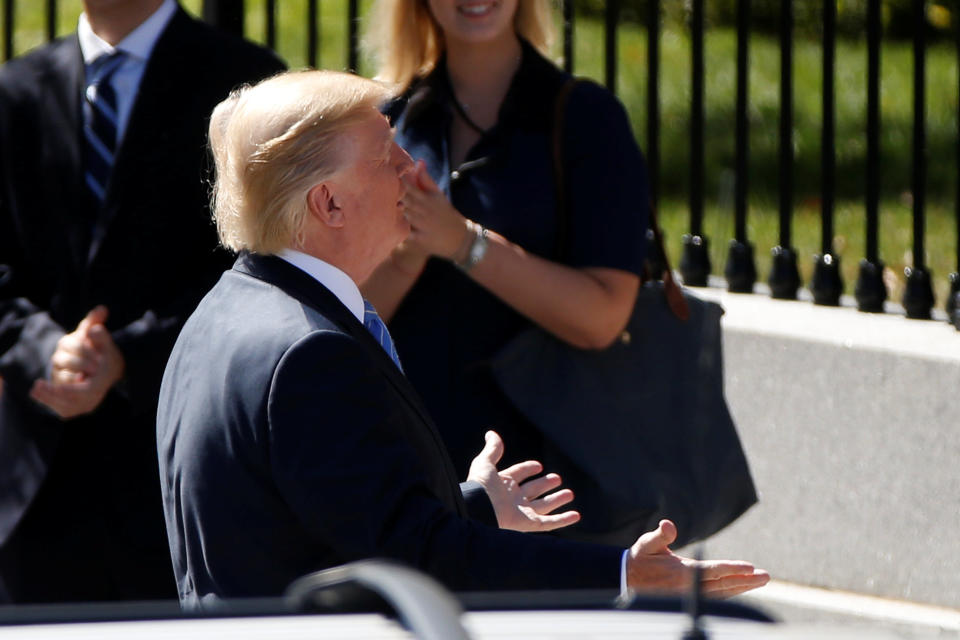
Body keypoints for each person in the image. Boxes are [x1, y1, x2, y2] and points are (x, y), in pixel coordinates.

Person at [156, 69, 769, 607]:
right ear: (330, 204)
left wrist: (474, 506)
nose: (411, 169)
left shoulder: (226, 312)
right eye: (385, 155)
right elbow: (418, 561)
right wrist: (621, 572)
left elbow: (345, 521)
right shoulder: (311, 354)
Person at [0, 0, 284, 603]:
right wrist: (43, 348)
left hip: (181, 476)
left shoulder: (245, 80)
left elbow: (258, 261)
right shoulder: (15, 89)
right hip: (34, 488)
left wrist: (129, 356)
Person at [360, 0, 650, 540]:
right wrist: (411, 249)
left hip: (557, 487)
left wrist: (463, 242)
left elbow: (601, 317)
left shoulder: (585, 117)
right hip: (416, 475)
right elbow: (353, 320)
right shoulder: (389, 118)